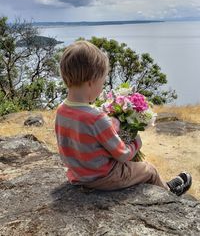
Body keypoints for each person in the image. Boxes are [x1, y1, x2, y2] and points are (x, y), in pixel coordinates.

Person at [55, 40, 192, 196]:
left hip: (77, 175)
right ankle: (169, 193)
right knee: (149, 169)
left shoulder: (61, 110)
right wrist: (136, 143)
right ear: (91, 82)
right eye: (102, 81)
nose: (102, 87)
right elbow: (123, 155)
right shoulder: (96, 117)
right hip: (104, 177)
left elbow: (73, 143)